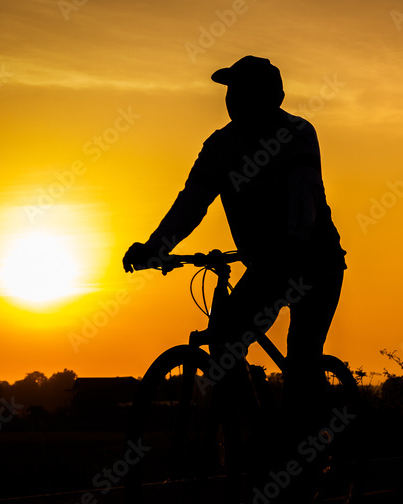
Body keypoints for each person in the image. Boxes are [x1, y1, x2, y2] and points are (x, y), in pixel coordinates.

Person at [122, 55, 347, 423]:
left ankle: (309, 444)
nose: (233, 100)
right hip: (267, 266)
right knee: (225, 333)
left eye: (242, 92)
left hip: (315, 262)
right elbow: (191, 202)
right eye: (231, 92)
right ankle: (253, 429)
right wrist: (156, 246)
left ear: (269, 98)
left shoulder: (297, 134)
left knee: (302, 357)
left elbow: (302, 195)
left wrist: (295, 240)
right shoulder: (219, 146)